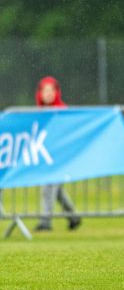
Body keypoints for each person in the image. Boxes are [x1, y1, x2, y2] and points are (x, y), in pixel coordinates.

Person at [34, 76, 81, 231]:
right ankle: (73, 217)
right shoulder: (39, 112)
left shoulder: (62, 110)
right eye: (44, 90)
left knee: (48, 188)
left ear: (56, 92)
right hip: (47, 156)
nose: (47, 94)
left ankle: (45, 222)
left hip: (59, 156)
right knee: (57, 190)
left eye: (50, 90)